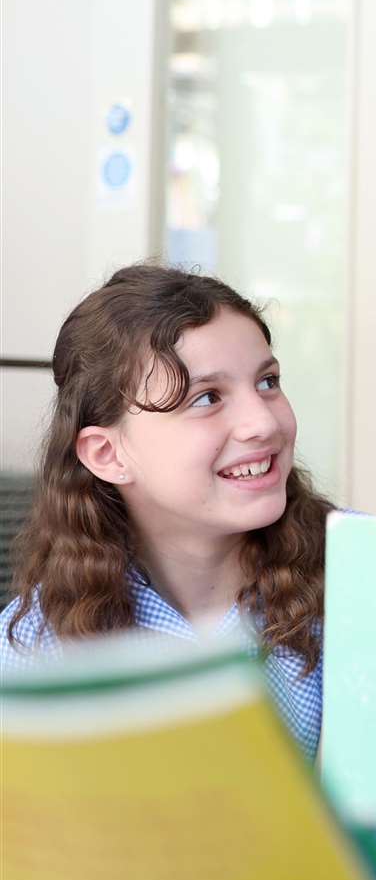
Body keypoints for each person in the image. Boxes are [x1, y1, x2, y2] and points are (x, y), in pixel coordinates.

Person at [1, 263, 330, 760]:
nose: (262, 422)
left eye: (267, 382)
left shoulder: (372, 577)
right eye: (206, 398)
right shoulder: (31, 651)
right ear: (107, 454)